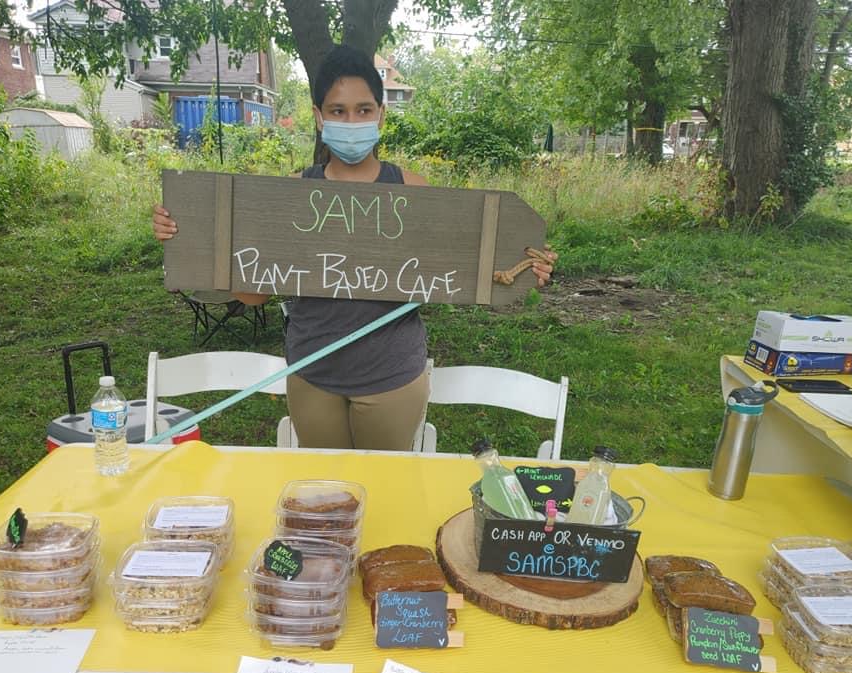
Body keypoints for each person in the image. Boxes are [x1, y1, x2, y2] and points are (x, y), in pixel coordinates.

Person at [153, 44, 556, 451]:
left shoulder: (416, 192)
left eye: (363, 110)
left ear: (381, 114)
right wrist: (185, 234)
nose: (351, 120)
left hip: (393, 379)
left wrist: (525, 266)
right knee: (324, 497)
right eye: (338, 110)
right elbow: (250, 293)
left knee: (383, 494)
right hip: (312, 375)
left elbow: (470, 268)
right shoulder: (289, 194)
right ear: (318, 117)